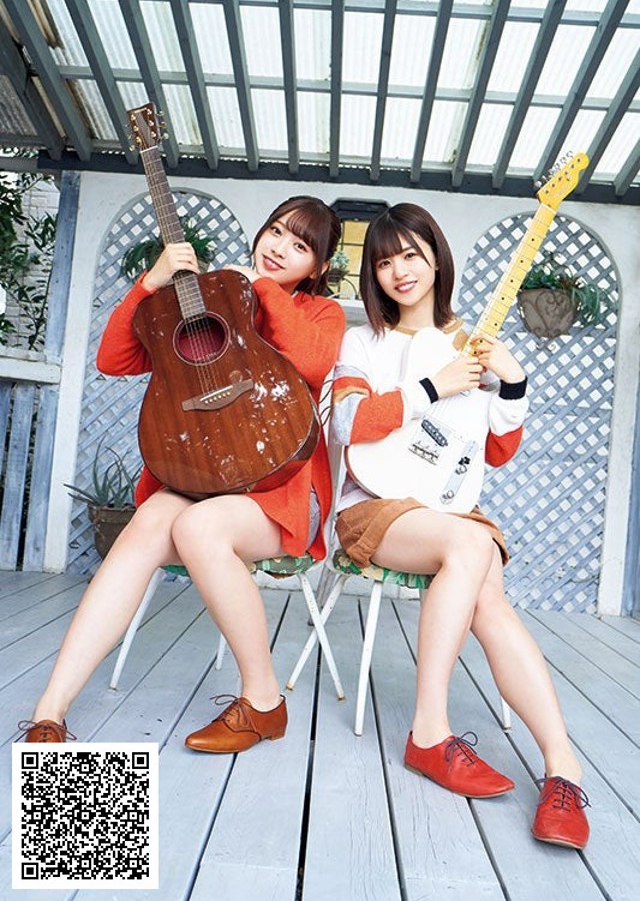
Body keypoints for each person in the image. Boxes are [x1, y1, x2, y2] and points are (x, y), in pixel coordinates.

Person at [20, 196, 345, 754]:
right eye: (276, 232)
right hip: (195, 479)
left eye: (300, 247)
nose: (280, 249)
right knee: (148, 522)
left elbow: (313, 362)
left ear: (315, 269)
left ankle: (263, 701)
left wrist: (260, 288)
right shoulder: (204, 299)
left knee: (199, 529)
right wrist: (150, 283)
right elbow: (114, 360)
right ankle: (51, 710)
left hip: (279, 494)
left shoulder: (319, 314)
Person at [331, 202, 589, 849]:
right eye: (384, 261)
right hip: (374, 505)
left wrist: (513, 378)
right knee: (475, 546)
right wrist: (432, 386)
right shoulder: (363, 340)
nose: (399, 271)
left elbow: (495, 451)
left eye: (411, 255)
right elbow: (348, 427)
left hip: (448, 508)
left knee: (489, 594)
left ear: (437, 257)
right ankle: (429, 731)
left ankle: (562, 768)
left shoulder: (474, 341)